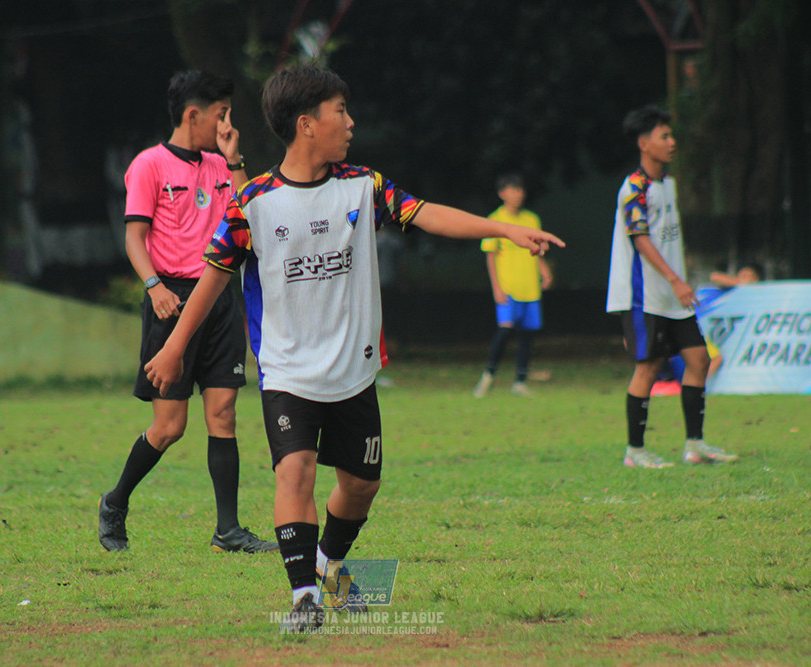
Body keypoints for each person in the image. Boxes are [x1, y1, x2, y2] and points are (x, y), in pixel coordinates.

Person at [143, 65, 564, 632]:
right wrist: (173, 348)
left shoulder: (364, 185)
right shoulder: (253, 204)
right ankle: (304, 599)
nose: (351, 122)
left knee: (361, 486)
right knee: (296, 471)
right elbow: (213, 277)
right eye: (340, 111)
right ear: (306, 124)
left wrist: (505, 230)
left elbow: (426, 212)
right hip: (288, 370)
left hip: (354, 370)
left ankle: (329, 563)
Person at [97, 71, 277, 554]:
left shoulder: (222, 166)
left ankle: (228, 532)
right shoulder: (149, 166)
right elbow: (135, 237)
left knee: (223, 413)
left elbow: (251, 215)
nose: (226, 123)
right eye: (221, 114)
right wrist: (153, 286)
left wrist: (235, 157)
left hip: (221, 297)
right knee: (171, 426)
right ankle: (115, 502)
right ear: (192, 114)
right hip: (171, 298)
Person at [606, 105, 737, 469]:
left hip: (671, 295)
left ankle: (695, 446)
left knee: (699, 359)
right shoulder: (635, 187)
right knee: (648, 368)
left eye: (671, 135)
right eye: (665, 136)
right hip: (642, 296)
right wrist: (676, 279)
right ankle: (635, 451)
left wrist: (681, 277)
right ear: (644, 144)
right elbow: (641, 239)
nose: (672, 142)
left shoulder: (668, 185)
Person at [472, 174, 553, 398]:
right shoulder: (495, 220)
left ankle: (520, 381)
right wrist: (496, 288)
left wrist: (544, 271)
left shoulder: (532, 219)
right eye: (513, 190)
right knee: (505, 330)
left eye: (520, 189)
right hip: (508, 287)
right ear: (502, 194)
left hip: (530, 287)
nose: (518, 194)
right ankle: (488, 375)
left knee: (527, 335)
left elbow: (538, 251)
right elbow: (490, 256)